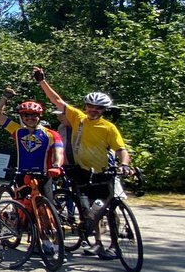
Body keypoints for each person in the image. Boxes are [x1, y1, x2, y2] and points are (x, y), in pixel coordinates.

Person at [32, 67, 132, 257]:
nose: (94, 110)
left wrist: (124, 164)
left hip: (103, 172)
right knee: (89, 211)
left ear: (104, 110)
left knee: (106, 208)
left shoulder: (109, 128)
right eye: (90, 107)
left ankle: (114, 245)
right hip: (81, 171)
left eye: (98, 108)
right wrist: (42, 81)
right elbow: (57, 101)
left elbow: (121, 150)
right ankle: (98, 243)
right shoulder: (78, 118)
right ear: (85, 106)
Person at [0, 88, 64, 197]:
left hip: (43, 175)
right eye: (26, 115)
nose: (30, 118)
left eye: (34, 115)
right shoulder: (17, 131)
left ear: (39, 116)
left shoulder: (51, 134)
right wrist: (4, 98)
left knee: (47, 210)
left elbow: (59, 152)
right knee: (22, 208)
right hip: (22, 175)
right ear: (21, 117)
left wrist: (56, 166)